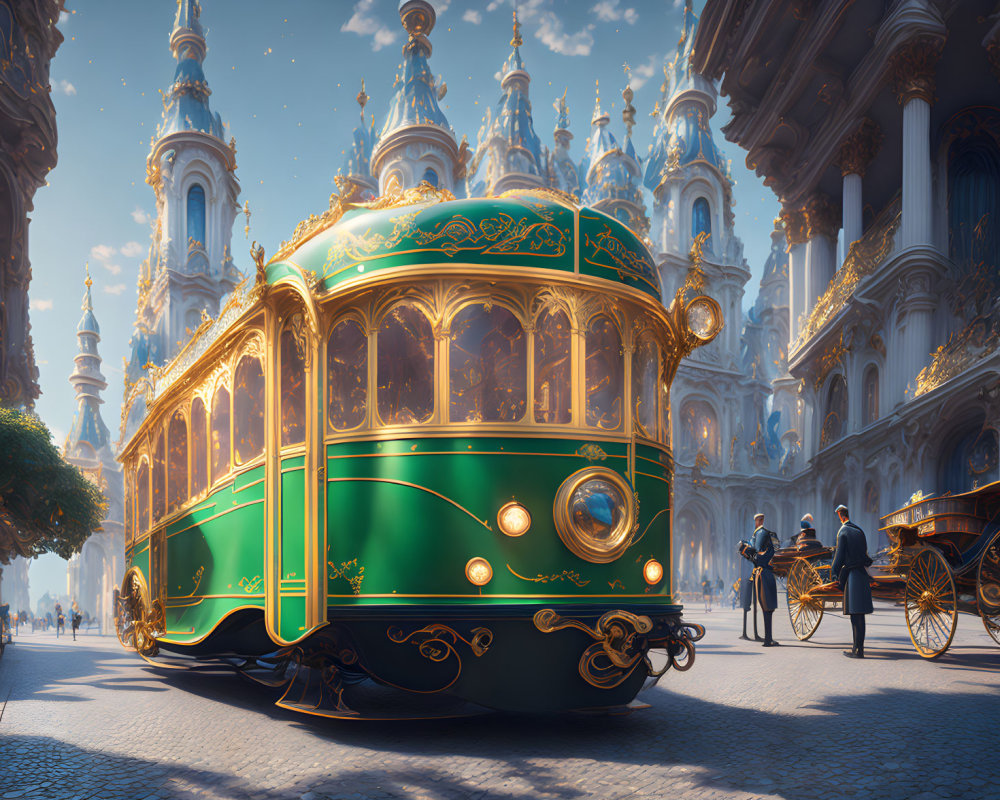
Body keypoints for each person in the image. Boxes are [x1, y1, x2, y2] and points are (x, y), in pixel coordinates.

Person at [831, 504, 874, 658]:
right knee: (859, 614)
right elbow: (865, 552)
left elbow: (839, 556)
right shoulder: (859, 530)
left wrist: (834, 572)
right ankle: (858, 648)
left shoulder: (843, 531)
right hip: (862, 574)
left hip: (852, 575)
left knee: (855, 615)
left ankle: (857, 650)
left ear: (840, 515)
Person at [748, 512, 779, 646]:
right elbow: (759, 551)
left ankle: (768, 638)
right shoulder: (762, 533)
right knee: (767, 606)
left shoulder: (758, 534)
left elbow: (755, 552)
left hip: (763, 571)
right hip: (764, 572)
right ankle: (767, 639)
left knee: (768, 607)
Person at [737, 530, 759, 640]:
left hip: (749, 581)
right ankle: (746, 633)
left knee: (750, 606)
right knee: (747, 606)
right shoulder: (745, 557)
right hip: (748, 581)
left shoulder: (746, 556)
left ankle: (752, 633)